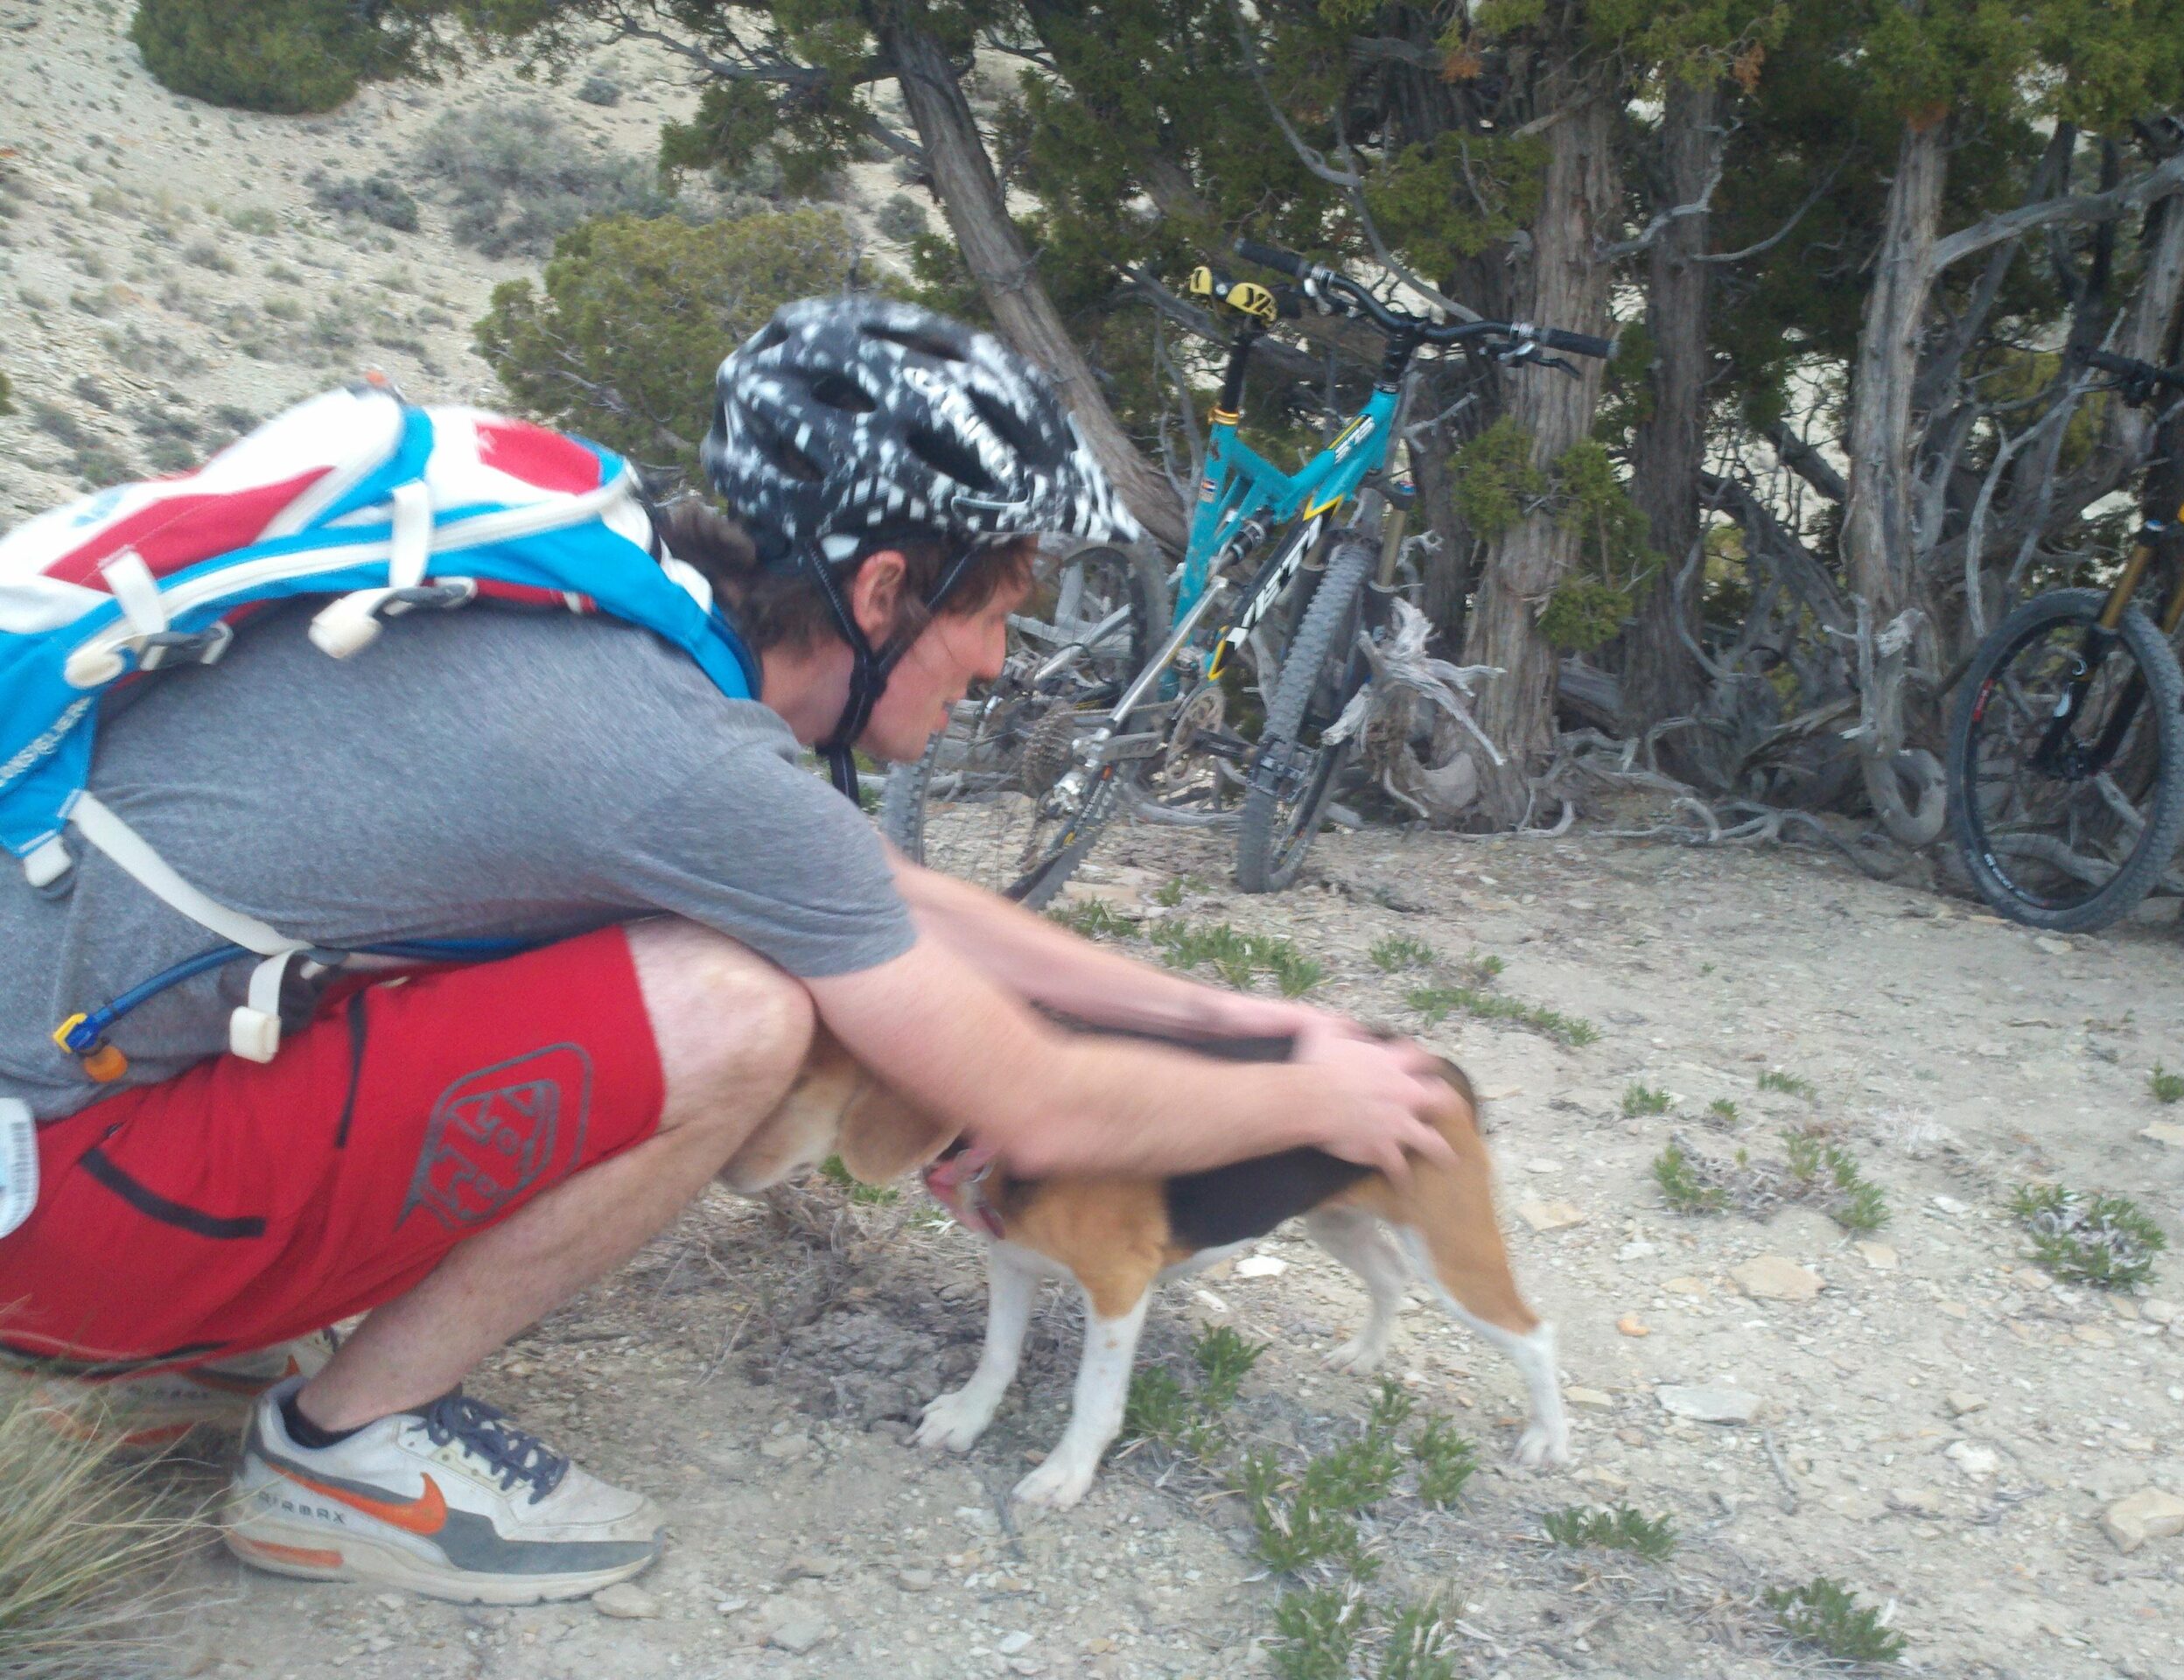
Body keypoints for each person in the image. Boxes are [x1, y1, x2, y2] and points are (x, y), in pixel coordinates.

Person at [0, 298, 1460, 1605]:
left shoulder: (611, 606)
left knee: (733, 942)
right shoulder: (676, 760)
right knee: (735, 1004)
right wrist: (1325, 1102)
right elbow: (1041, 1107)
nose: (1004, 664)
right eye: (996, 612)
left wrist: (1228, 1015)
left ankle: (193, 1339)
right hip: (60, 1220)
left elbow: (884, 893)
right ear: (883, 594)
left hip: (58, 1134)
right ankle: (335, 1454)